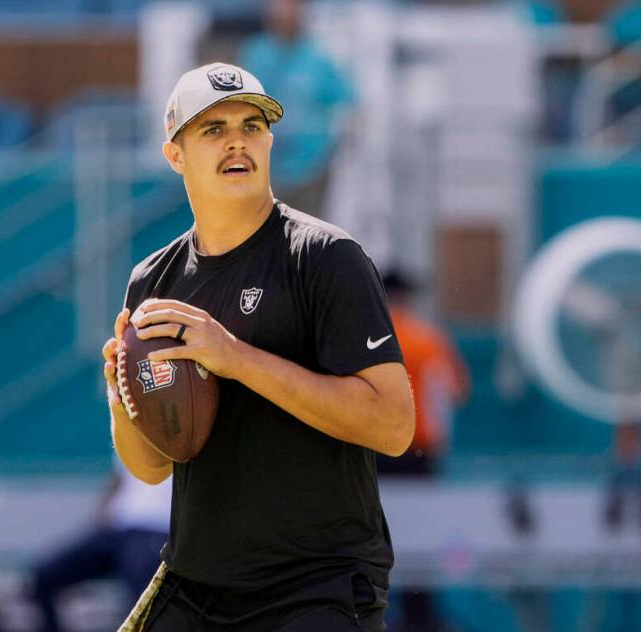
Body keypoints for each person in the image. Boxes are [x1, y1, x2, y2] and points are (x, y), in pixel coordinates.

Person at [100, 62, 415, 631]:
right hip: (198, 586)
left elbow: (393, 426)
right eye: (213, 129)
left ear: (269, 141)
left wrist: (237, 360)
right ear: (176, 154)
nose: (237, 141)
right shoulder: (153, 280)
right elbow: (151, 468)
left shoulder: (325, 257)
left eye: (251, 125)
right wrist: (122, 398)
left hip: (316, 585)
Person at [376, 270, 471, 632]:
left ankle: (373, 613)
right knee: (421, 540)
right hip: (418, 455)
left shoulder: (364, 338)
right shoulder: (428, 339)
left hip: (373, 452)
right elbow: (455, 391)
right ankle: (420, 617)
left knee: (373, 536)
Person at [236, 0, 356, 215]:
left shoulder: (319, 58)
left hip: (311, 167)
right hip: (265, 168)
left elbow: (347, 103)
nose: (285, 12)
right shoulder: (255, 54)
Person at [30, 467, 170, 632]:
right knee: (43, 576)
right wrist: (101, 517)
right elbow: (118, 478)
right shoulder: (133, 442)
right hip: (116, 529)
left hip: (156, 528)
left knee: (143, 600)